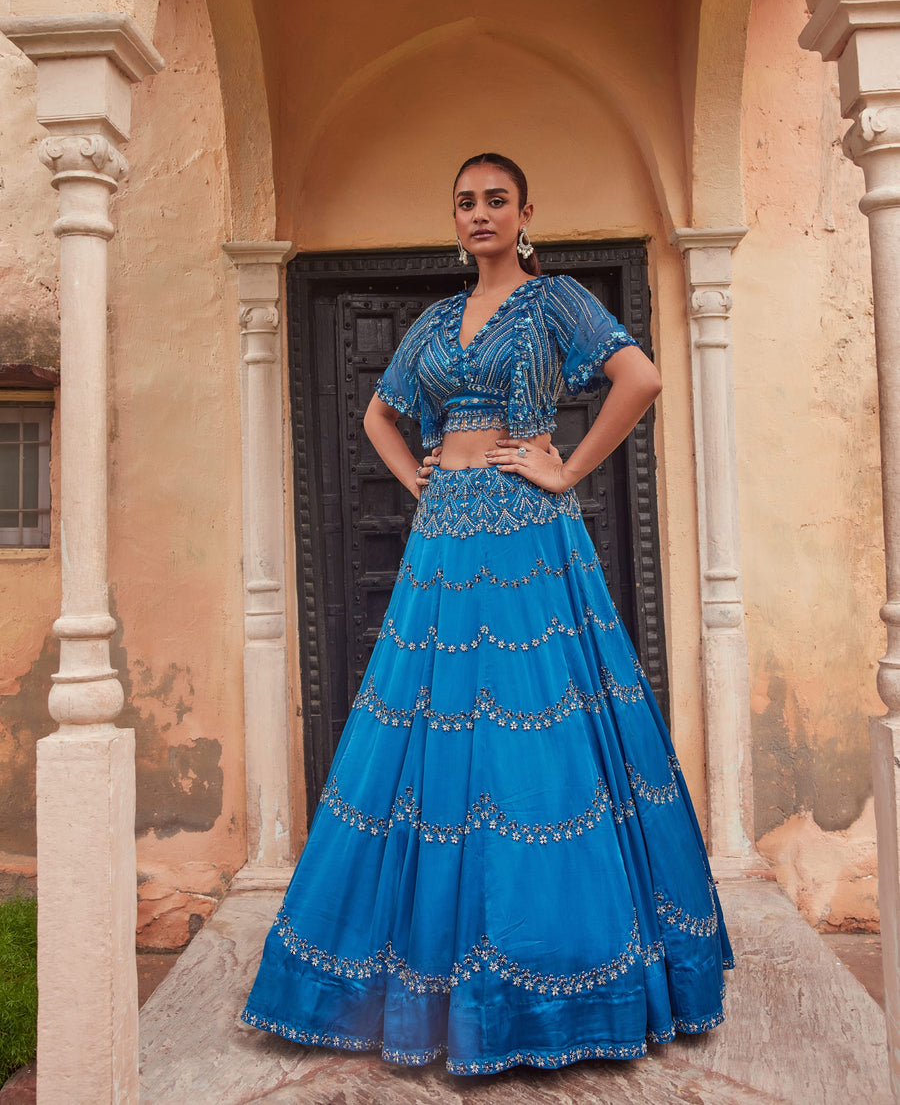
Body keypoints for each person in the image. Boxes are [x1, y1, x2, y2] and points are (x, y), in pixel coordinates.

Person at [241, 152, 733, 1074]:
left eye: (495, 200)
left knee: (529, 736)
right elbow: (381, 416)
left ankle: (557, 984)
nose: (479, 214)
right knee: (435, 734)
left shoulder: (558, 304)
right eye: (465, 201)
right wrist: (418, 479)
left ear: (524, 212)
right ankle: (423, 976)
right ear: (455, 216)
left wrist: (565, 468)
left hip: (525, 532)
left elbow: (642, 379)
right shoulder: (433, 320)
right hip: (445, 537)